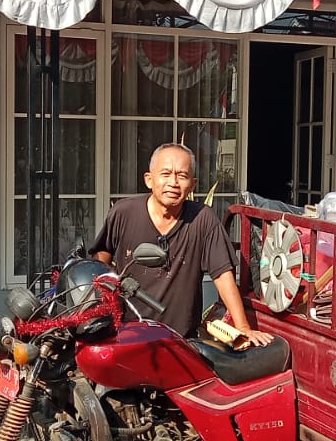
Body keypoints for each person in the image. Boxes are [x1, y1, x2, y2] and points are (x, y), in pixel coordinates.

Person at [90, 143, 276, 347]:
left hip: (182, 340)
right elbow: (100, 261)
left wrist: (243, 327)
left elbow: (222, 274)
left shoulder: (203, 219)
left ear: (193, 184)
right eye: (165, 174)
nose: (173, 182)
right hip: (128, 334)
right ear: (149, 180)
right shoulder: (123, 213)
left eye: (182, 175)